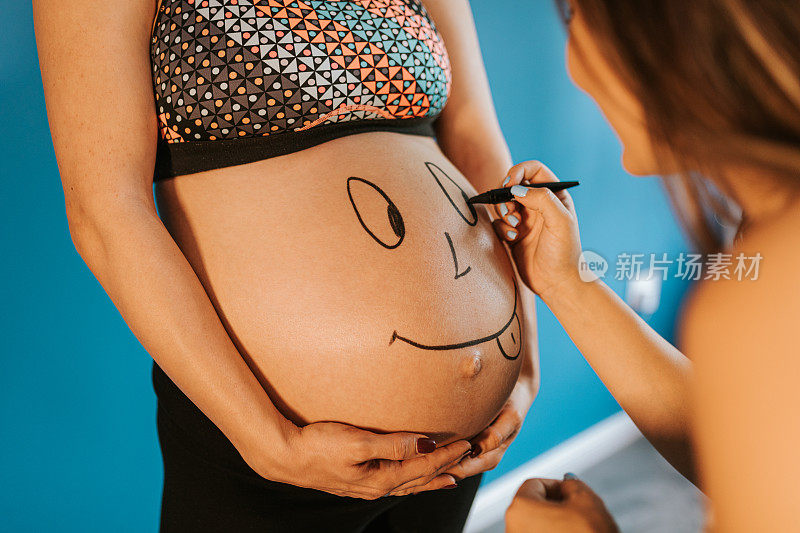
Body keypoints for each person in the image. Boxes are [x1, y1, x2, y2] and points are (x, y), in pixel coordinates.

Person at [32, 0, 540, 531]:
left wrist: (525, 360)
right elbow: (106, 208)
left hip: (459, 453)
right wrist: (270, 443)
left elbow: (476, 141)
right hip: (272, 451)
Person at [495, 1, 800, 531]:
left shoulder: (771, 293)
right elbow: (755, 442)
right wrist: (565, 282)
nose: (572, 64)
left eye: (574, 16)